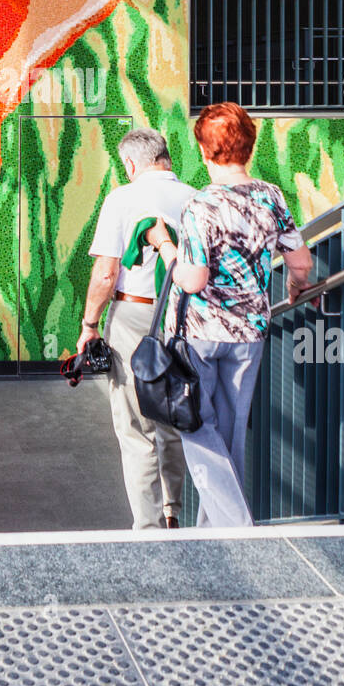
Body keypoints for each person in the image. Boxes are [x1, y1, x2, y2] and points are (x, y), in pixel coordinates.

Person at [144, 102, 316, 528]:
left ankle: (238, 528)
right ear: (249, 148)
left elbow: (192, 280)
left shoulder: (201, 205)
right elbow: (301, 264)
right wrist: (296, 288)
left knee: (197, 427)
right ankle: (214, 539)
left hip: (200, 334)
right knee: (231, 434)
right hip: (250, 333)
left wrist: (163, 244)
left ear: (204, 151)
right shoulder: (271, 196)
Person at [77, 129, 197, 530]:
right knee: (172, 414)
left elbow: (107, 272)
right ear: (165, 156)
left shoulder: (123, 199)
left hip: (133, 317)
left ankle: (146, 528)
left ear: (130, 164)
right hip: (184, 315)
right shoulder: (195, 197)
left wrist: (89, 324)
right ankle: (173, 511)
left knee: (134, 425)